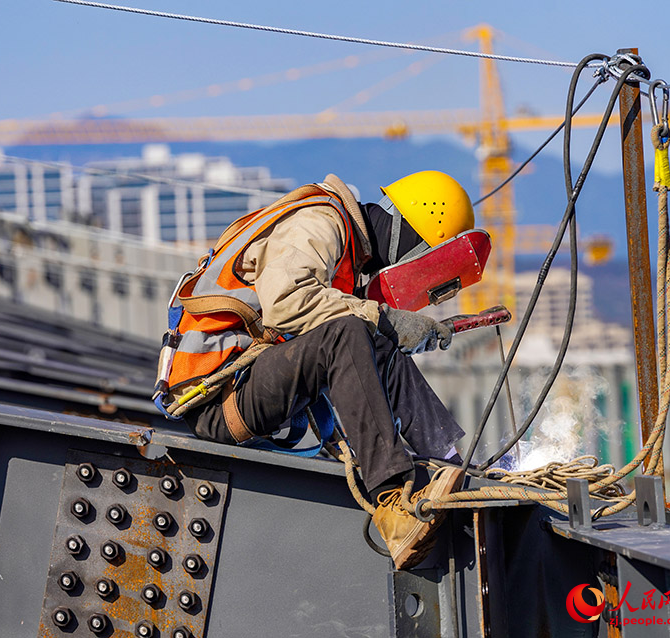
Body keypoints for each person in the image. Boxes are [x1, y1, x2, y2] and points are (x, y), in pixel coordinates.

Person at [158, 171, 476, 569]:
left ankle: (448, 458)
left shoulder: (342, 245)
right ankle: (393, 506)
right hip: (219, 397)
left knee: (373, 335)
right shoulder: (321, 222)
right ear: (413, 238)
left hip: (245, 383)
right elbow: (287, 302)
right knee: (351, 332)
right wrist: (385, 319)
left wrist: (392, 328)